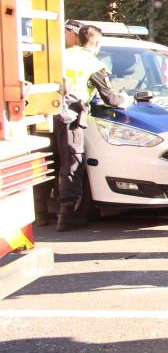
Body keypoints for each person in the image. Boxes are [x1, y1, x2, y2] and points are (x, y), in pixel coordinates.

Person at [55, 25, 131, 231]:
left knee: (57, 162)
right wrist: (126, 99)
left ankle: (44, 213)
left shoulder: (61, 55)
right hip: (72, 114)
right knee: (74, 162)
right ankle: (67, 215)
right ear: (97, 43)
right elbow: (110, 97)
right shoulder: (93, 63)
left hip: (52, 113)